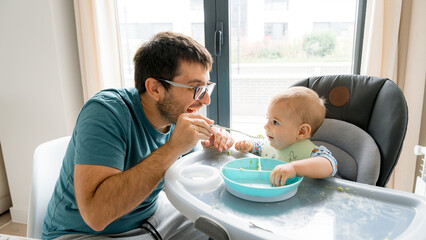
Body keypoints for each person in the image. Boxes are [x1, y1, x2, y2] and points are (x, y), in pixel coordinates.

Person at [42, 32, 234, 240]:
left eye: (206, 87)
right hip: (82, 233)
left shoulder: (175, 116)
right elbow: (96, 216)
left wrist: (210, 151)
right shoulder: (106, 112)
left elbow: (189, 178)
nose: (205, 100)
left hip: (150, 217)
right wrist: (174, 148)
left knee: (224, 228)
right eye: (196, 88)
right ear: (155, 88)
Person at [234, 87, 337, 186]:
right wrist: (249, 145)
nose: (265, 126)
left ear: (302, 131)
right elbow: (259, 147)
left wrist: (294, 168)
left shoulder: (314, 154)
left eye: (275, 122)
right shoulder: (272, 144)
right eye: (267, 118)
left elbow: (330, 165)